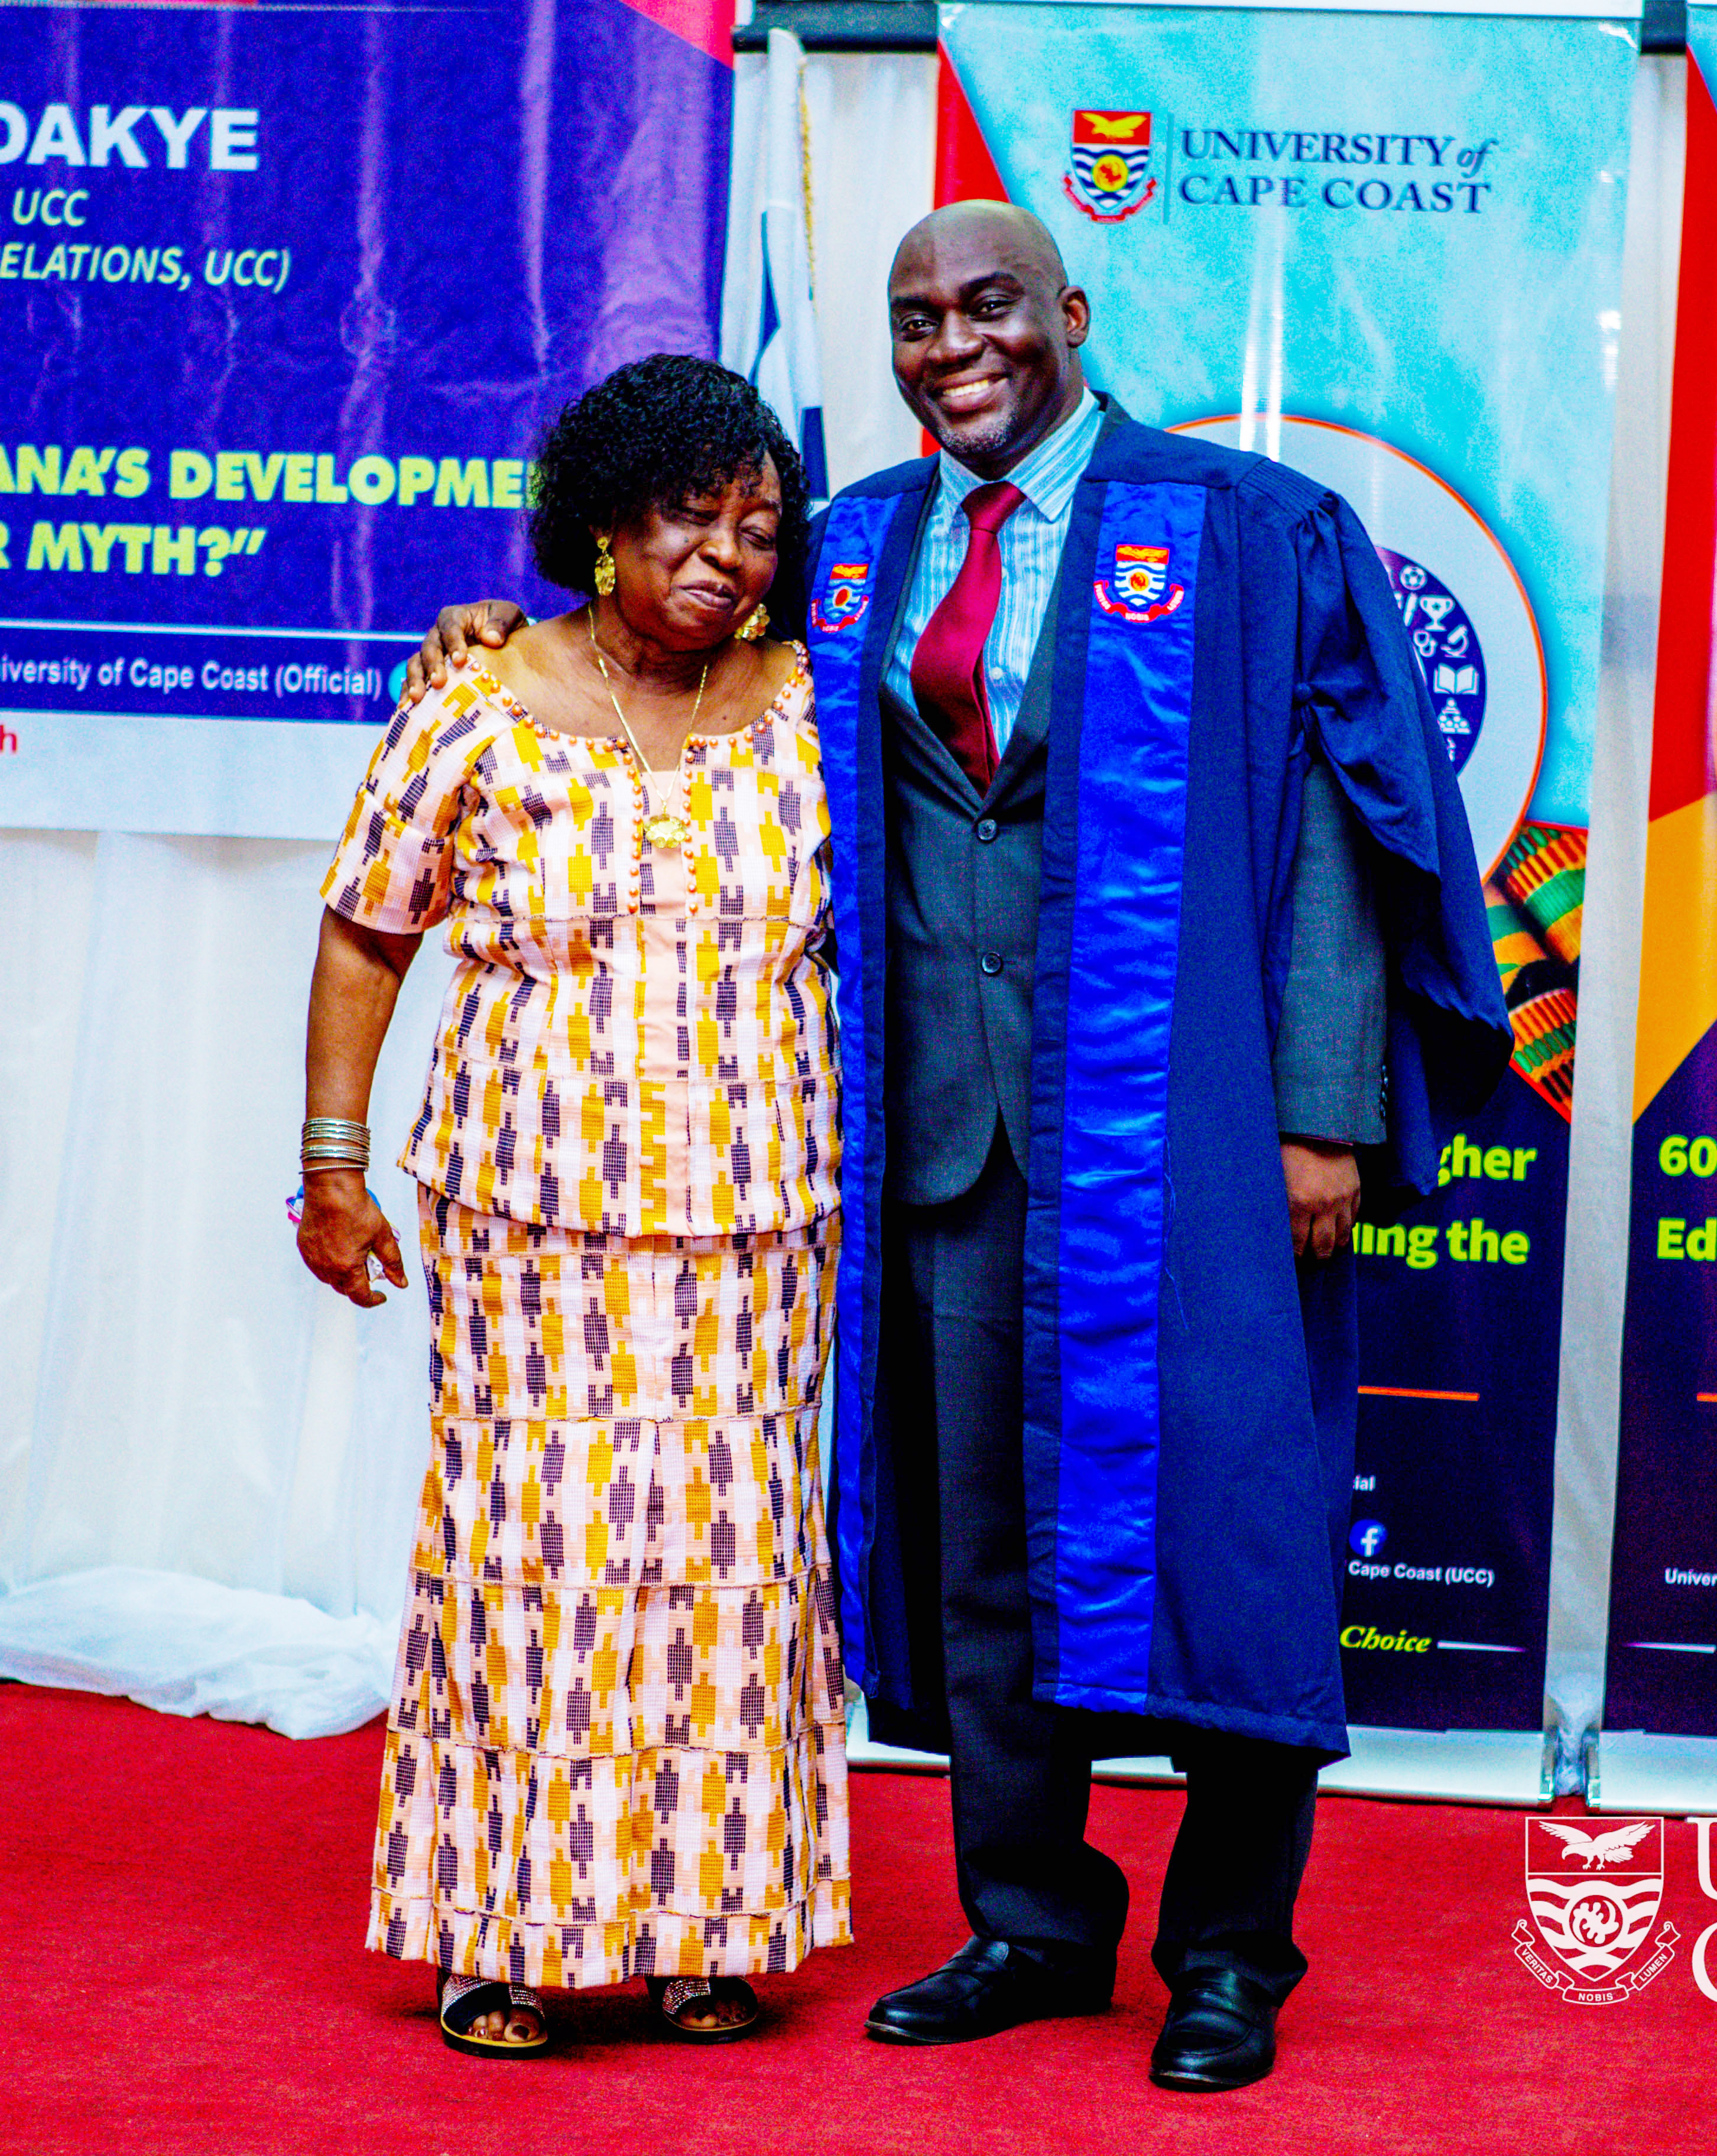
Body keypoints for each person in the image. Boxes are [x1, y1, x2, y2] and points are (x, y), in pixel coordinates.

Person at [405, 203, 1509, 2093]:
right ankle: (1030, 1923)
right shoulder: (850, 552)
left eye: (987, 306)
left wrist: (1323, 1111)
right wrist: (509, 627)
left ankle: (1229, 1954)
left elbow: (1348, 819)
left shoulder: (1244, 526)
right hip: (935, 1134)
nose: (949, 345)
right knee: (982, 1537)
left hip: (1191, 1132)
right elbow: (673, 662)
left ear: (1069, 315)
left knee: (1228, 1532)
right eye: (915, 319)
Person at [299, 355, 851, 2060]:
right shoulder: (478, 695)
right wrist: (330, 1162)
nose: (726, 556)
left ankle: (708, 1929)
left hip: (757, 1216)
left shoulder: (816, 699)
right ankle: (501, 1931)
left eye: (757, 528)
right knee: (528, 1558)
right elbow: (368, 928)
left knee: (729, 1567)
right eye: (691, 515)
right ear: (605, 524)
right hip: (530, 1212)